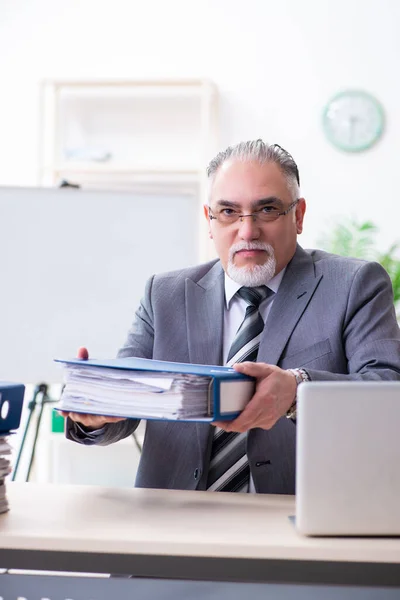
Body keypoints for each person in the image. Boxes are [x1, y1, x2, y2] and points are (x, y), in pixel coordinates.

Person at [64, 139, 400, 494]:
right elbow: (128, 399)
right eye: (228, 212)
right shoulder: (165, 293)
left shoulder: (352, 285)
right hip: (172, 517)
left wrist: (297, 391)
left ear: (298, 216)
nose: (247, 231)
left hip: (298, 517)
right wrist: (96, 411)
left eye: (267, 209)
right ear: (209, 220)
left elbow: (388, 390)